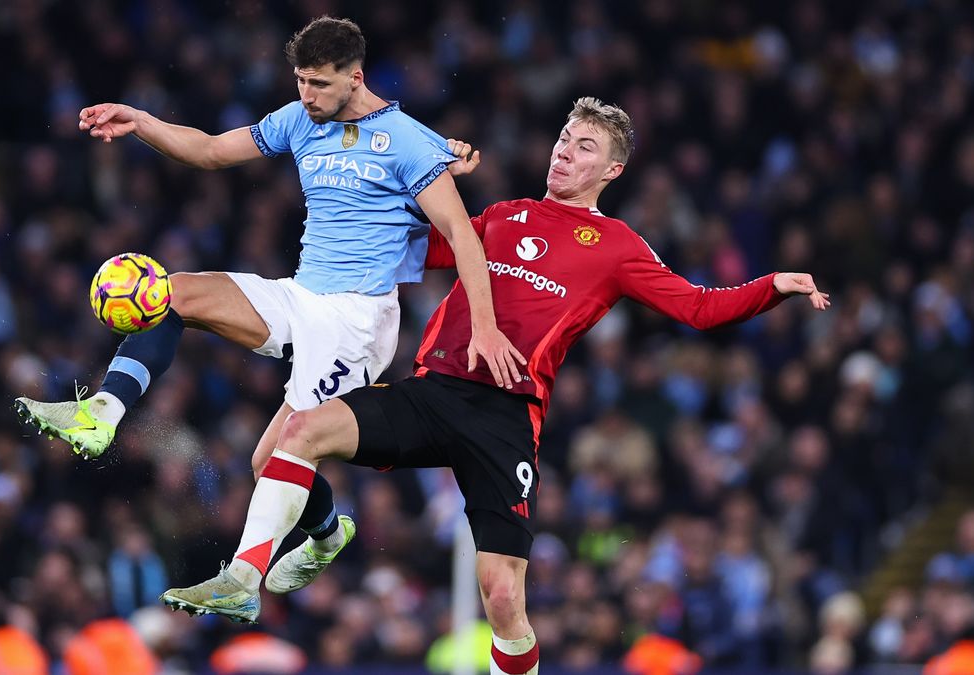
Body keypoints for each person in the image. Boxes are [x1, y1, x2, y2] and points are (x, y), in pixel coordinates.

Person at [158, 97, 830, 675]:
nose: (564, 153)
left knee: (502, 595)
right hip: (433, 389)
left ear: (612, 169)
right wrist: (427, 181)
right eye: (564, 138)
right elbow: (411, 245)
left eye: (584, 146)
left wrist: (773, 286)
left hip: (505, 417)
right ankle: (248, 575)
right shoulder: (505, 215)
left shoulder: (617, 245)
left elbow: (699, 307)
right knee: (299, 432)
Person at [14, 16, 521, 593]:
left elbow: (462, 234)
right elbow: (208, 151)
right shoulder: (298, 120)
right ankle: (103, 411)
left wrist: (485, 327)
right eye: (300, 81)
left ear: (355, 78)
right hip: (300, 294)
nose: (306, 95)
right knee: (171, 292)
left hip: (356, 320)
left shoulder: (406, 141)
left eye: (319, 85)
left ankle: (242, 579)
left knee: (271, 461)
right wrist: (142, 122)